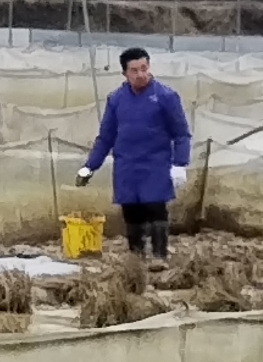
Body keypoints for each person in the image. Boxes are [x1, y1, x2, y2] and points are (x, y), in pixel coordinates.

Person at [74, 47, 193, 260]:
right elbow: (106, 137)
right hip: (127, 165)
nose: (141, 74)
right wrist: (90, 166)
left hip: (156, 163)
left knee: (156, 207)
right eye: (135, 70)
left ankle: (159, 257)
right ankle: (136, 259)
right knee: (131, 211)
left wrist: (180, 164)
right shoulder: (117, 99)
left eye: (144, 68)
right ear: (125, 74)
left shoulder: (166, 96)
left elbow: (181, 134)